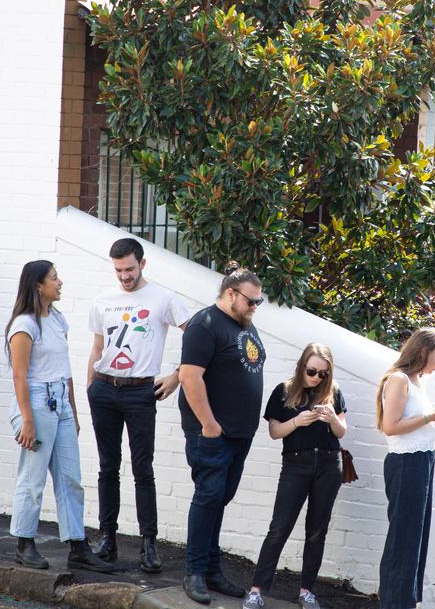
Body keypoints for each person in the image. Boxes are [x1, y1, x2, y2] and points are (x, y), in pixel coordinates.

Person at [85, 238, 189, 573]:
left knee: (143, 468)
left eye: (129, 269)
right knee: (107, 466)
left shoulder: (163, 298)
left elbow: (198, 336)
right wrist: (90, 387)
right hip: (104, 388)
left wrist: (177, 376)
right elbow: (97, 346)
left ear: (142, 264)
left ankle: (148, 543)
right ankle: (108, 538)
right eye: (118, 270)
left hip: (141, 391)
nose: (124, 276)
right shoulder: (103, 301)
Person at [6, 260, 113, 572]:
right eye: (54, 278)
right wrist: (26, 419)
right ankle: (24, 543)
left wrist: (74, 412)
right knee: (33, 476)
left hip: (60, 403)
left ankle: (77, 545)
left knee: (70, 478)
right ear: (38, 285)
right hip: (36, 404)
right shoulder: (24, 325)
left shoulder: (57, 319)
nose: (60, 282)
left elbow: (65, 371)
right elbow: (19, 376)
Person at [178, 263, 267, 604]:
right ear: (231, 294)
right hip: (213, 435)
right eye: (251, 301)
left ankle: (212, 570)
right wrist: (209, 425)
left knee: (219, 500)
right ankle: (195, 572)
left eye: (259, 301)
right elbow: (190, 376)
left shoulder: (243, 323)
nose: (255, 307)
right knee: (208, 497)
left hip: (239, 434)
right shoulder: (205, 324)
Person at [243, 343, 347, 609]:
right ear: (302, 366)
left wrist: (333, 417)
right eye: (312, 371)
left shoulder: (333, 392)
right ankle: (256, 590)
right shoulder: (284, 391)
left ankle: (306, 591)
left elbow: (341, 432)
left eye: (323, 373)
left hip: (328, 464)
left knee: (317, 530)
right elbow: (274, 432)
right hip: (295, 464)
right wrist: (297, 422)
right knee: (279, 527)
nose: (317, 378)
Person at [376, 327, 435, 609]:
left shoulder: (416, 381)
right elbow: (391, 426)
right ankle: (394, 603)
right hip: (406, 462)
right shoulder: (399, 379)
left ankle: (407, 601)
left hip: (421, 460)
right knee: (404, 538)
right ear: (422, 351)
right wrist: (430, 416)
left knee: (416, 538)